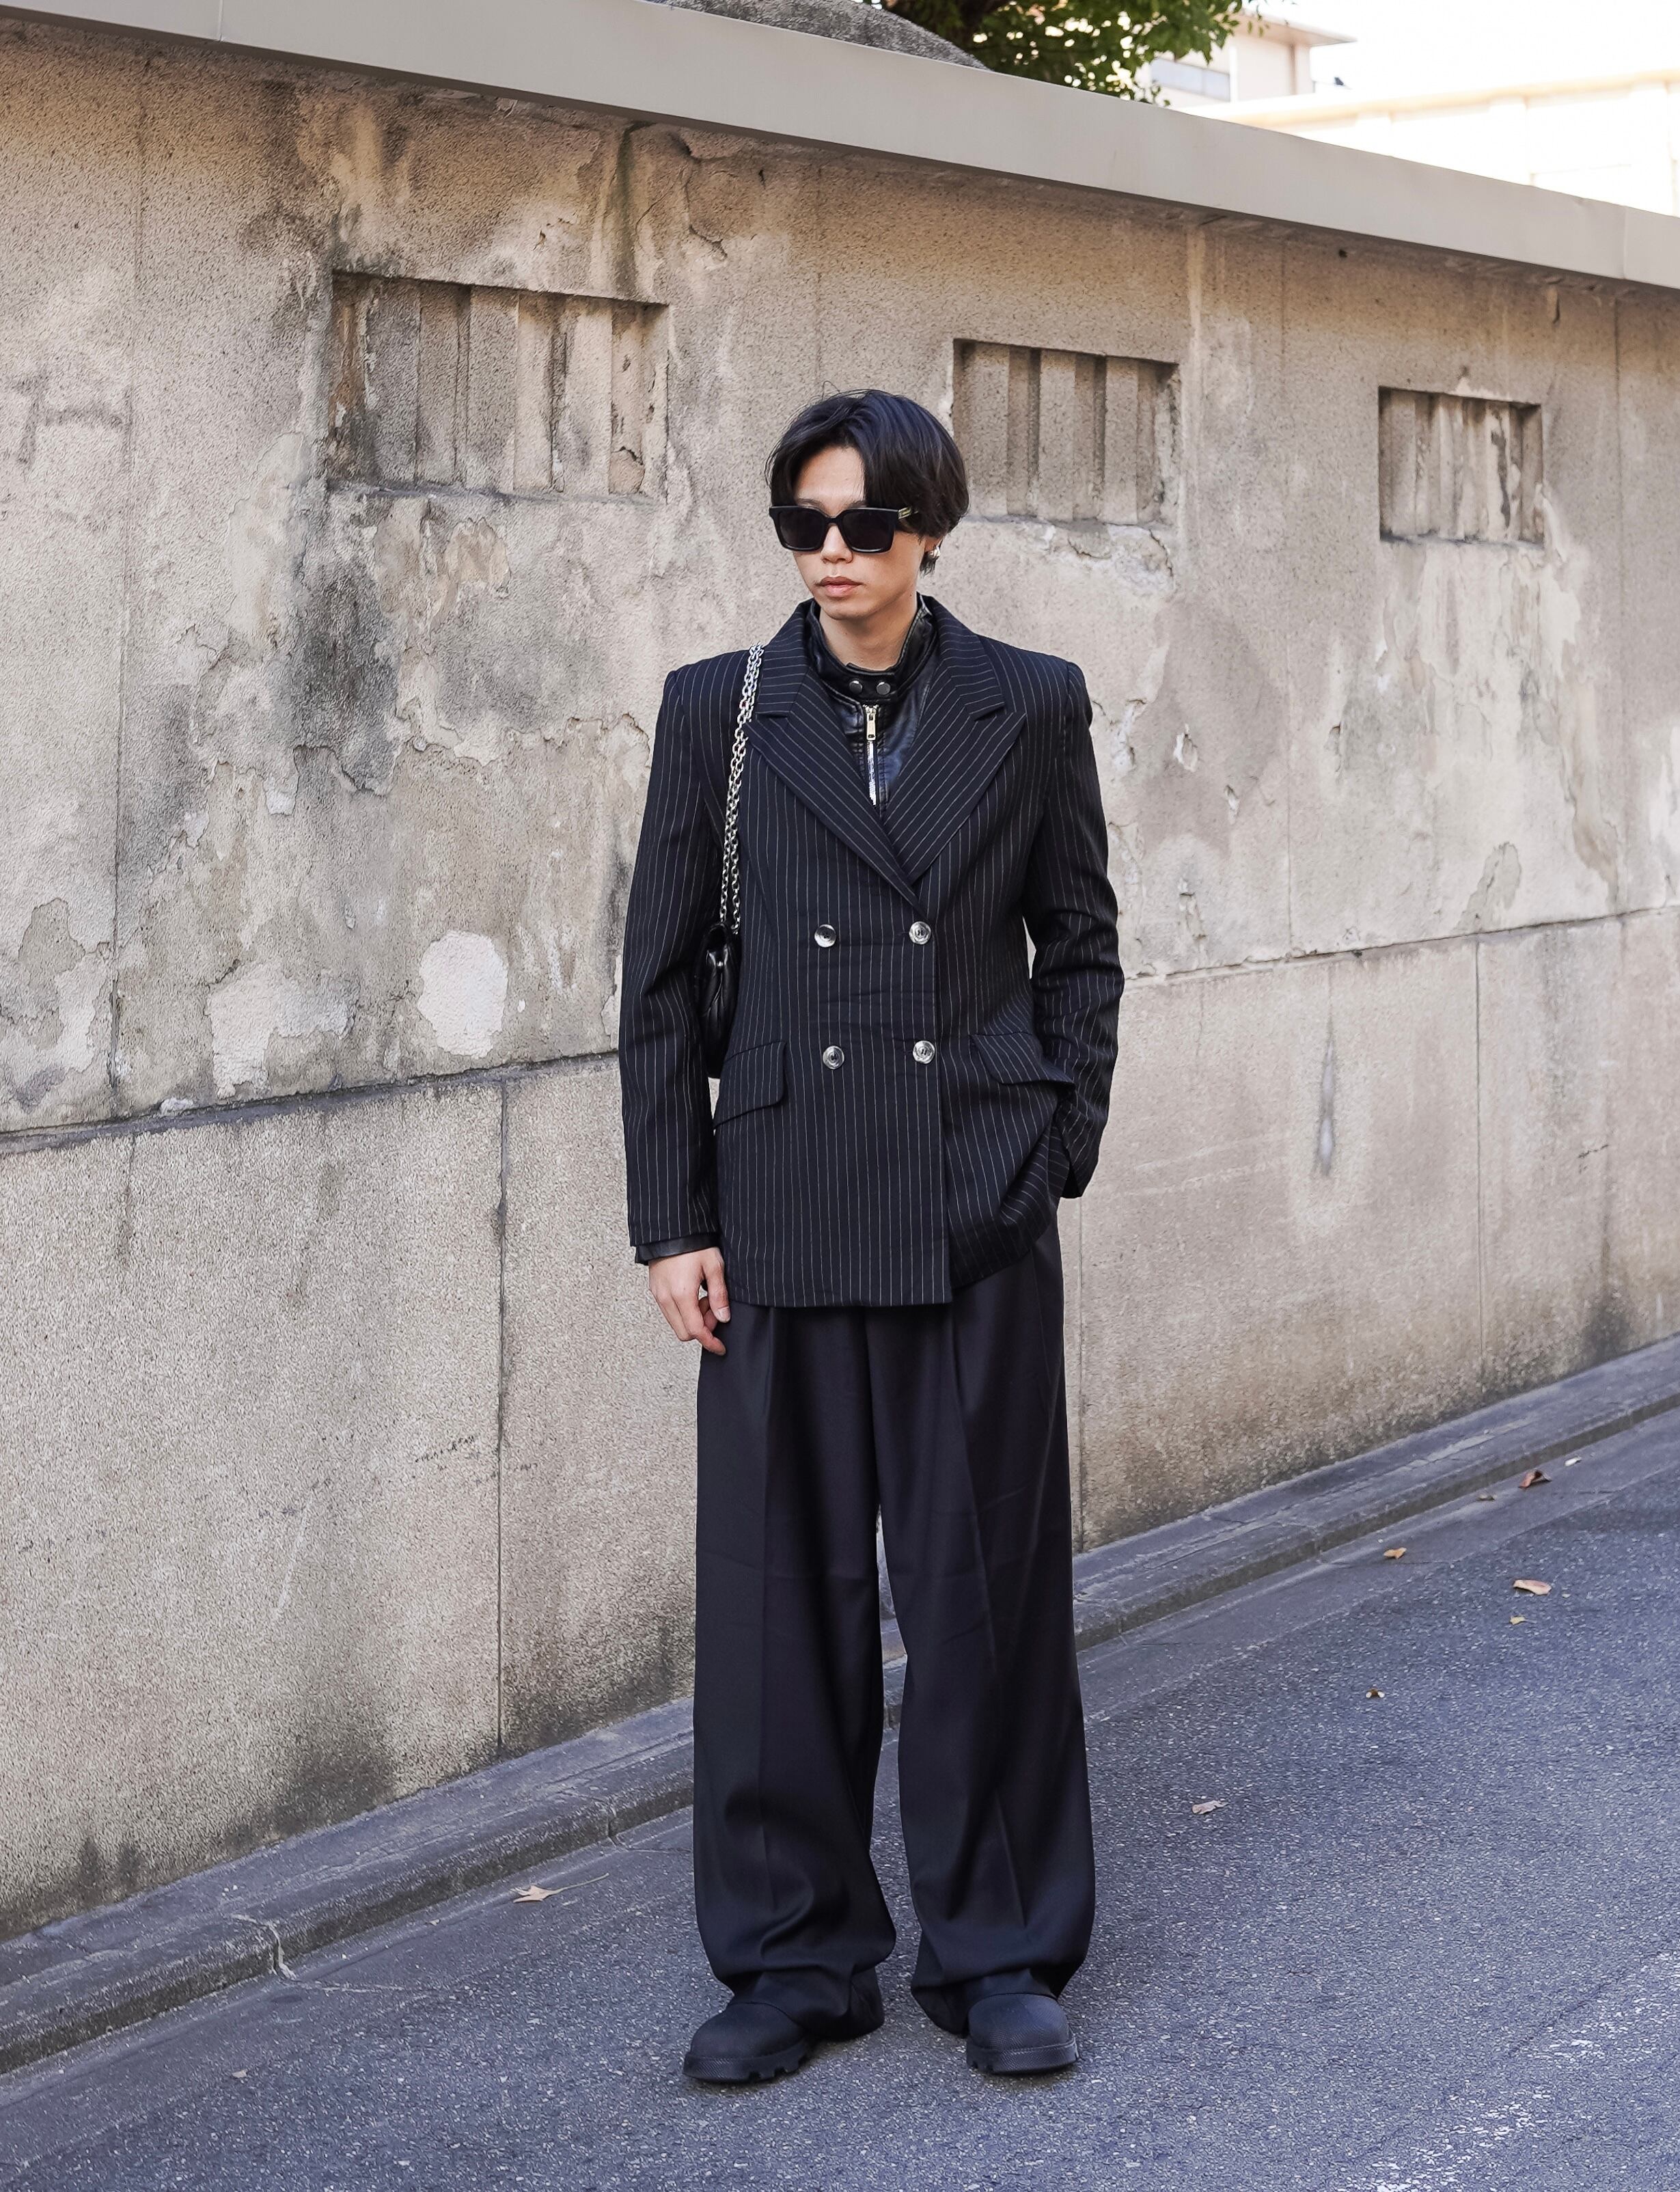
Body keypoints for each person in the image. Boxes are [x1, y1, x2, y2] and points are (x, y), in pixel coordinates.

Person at [618, 388, 1124, 2084]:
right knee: (778, 1606)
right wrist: (669, 1222)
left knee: (983, 1597)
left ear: (927, 531)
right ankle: (794, 1954)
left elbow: (1079, 943)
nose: (829, 554)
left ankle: (999, 1949)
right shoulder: (719, 709)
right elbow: (658, 984)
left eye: (861, 524)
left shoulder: (1026, 702)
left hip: (969, 1208)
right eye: (802, 525)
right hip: (776, 1209)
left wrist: (1047, 1144)